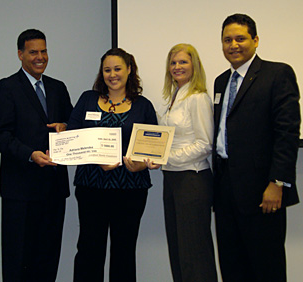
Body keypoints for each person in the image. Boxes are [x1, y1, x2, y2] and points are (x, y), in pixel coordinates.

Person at [213, 13, 300, 282]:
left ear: (256, 40)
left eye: (240, 38)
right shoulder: (220, 82)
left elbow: (286, 133)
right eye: (227, 40)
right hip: (226, 189)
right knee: (231, 265)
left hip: (263, 189)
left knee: (266, 267)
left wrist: (277, 182)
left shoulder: (277, 73)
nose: (233, 45)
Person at [0, 29, 73, 281]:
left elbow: (72, 123)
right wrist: (30, 155)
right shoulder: (6, 87)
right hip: (20, 191)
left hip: (54, 189)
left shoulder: (58, 88)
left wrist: (66, 127)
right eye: (33, 52)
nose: (40, 57)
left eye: (44, 51)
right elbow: (0, 135)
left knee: (48, 259)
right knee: (18, 260)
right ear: (20, 54)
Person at [67, 48, 157, 282]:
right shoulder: (88, 98)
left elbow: (153, 148)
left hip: (131, 190)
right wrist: (96, 158)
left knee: (124, 253)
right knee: (89, 251)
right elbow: (72, 136)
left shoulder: (143, 105)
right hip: (91, 188)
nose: (112, 74)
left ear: (129, 70)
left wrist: (143, 164)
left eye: (118, 69)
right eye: (107, 70)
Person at [146, 44, 217, 282]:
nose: (177, 67)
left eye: (183, 62)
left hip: (193, 180)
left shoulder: (198, 98)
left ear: (194, 65)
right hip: (173, 179)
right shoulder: (173, 97)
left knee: (194, 253)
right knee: (178, 251)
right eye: (173, 62)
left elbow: (205, 144)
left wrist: (164, 158)